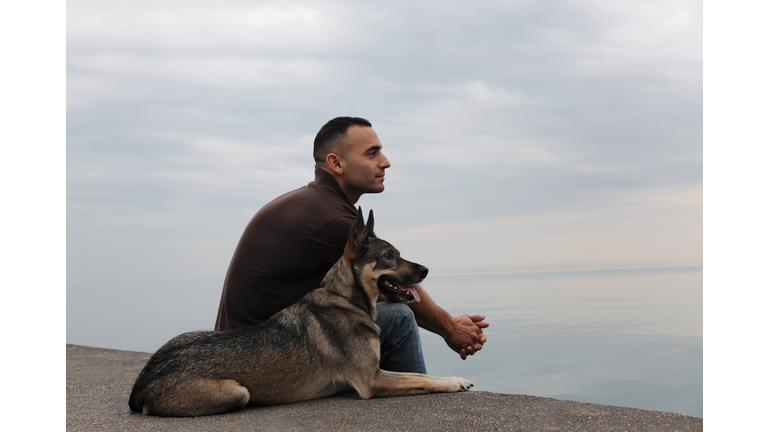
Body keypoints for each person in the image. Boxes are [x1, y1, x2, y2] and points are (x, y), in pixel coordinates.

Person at [214, 116, 488, 373]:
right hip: (261, 360)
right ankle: (414, 415)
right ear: (336, 163)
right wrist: (450, 328)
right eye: (372, 153)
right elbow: (397, 285)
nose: (385, 162)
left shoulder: (315, 204)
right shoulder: (331, 219)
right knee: (400, 318)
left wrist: (448, 323)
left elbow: (379, 289)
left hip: (251, 347)